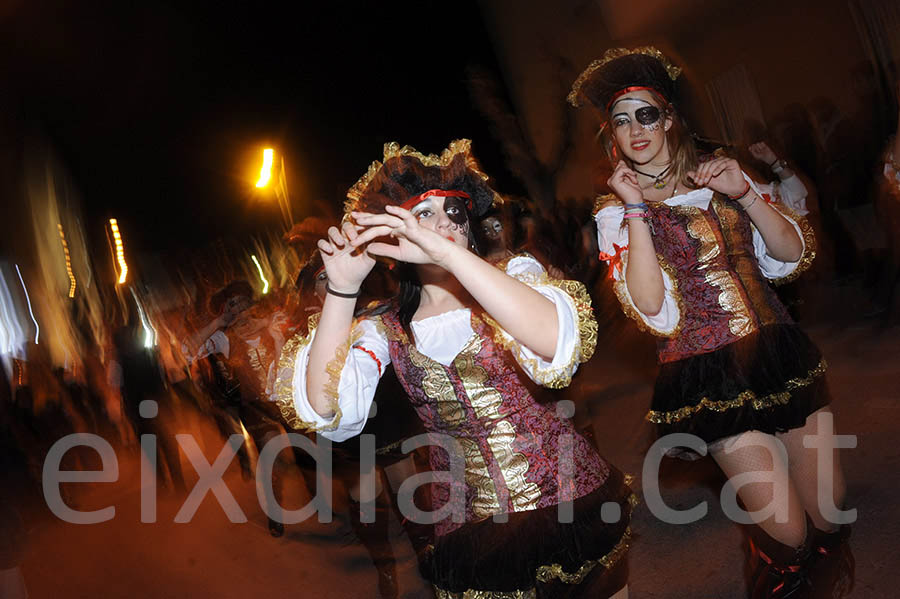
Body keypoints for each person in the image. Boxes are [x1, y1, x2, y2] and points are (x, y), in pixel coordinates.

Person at [273, 140, 633, 598]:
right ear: (396, 238)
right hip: (473, 528)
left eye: (455, 214)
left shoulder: (511, 279)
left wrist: (449, 258)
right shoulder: (382, 327)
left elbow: (556, 345)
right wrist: (342, 291)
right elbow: (327, 410)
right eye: (424, 214)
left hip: (570, 496)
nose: (443, 223)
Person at [569, 48, 851, 598]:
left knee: (832, 515)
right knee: (789, 537)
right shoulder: (615, 212)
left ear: (670, 117)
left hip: (779, 351)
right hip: (710, 374)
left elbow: (793, 257)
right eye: (621, 120)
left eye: (645, 114)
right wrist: (635, 209)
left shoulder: (722, 173)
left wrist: (745, 190)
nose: (635, 129)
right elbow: (653, 309)